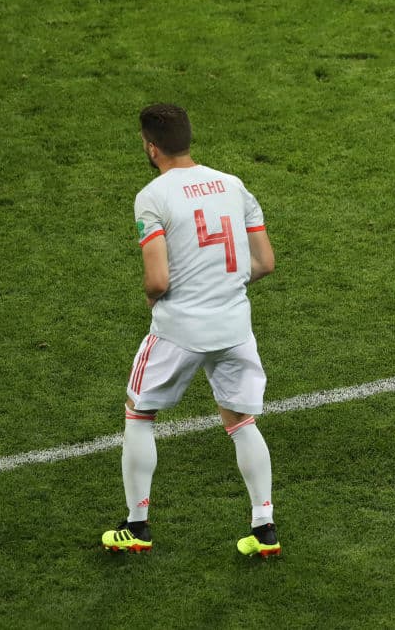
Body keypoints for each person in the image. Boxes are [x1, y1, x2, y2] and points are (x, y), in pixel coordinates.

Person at [102, 103, 281, 555]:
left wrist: (151, 297)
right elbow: (264, 263)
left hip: (179, 328)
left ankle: (136, 526)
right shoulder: (234, 185)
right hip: (235, 326)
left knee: (139, 412)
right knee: (241, 421)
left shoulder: (153, 196)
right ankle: (264, 530)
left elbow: (158, 279)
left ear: (150, 146)